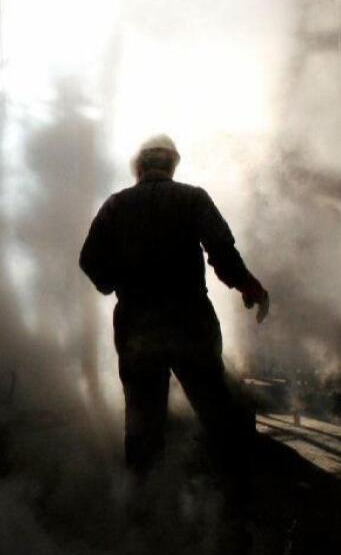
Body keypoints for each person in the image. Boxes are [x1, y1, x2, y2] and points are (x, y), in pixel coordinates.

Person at [79, 135, 269, 479]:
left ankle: (147, 506)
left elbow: (90, 259)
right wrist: (248, 286)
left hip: (137, 326)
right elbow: (222, 251)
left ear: (138, 166)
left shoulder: (115, 206)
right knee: (216, 412)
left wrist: (112, 283)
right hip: (190, 322)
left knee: (142, 422)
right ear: (172, 164)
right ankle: (230, 499)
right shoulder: (192, 198)